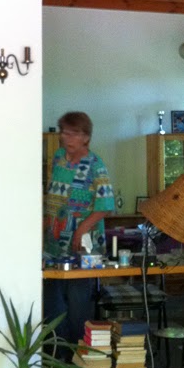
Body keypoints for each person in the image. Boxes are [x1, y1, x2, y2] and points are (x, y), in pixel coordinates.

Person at [43, 111, 115, 345]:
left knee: (78, 304)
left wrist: (81, 229)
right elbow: (53, 195)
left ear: (86, 137)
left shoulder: (96, 165)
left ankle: (78, 354)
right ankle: (57, 354)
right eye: (64, 132)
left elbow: (105, 205)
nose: (67, 138)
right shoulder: (58, 158)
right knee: (52, 305)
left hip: (82, 246)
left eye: (73, 133)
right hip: (53, 245)